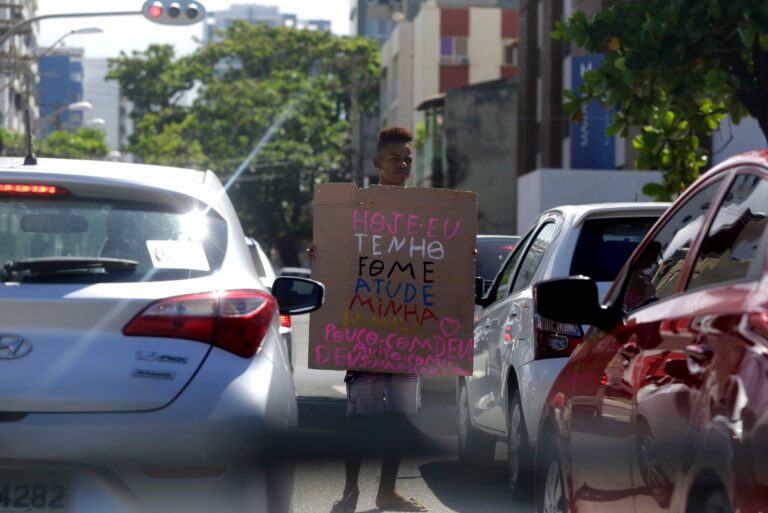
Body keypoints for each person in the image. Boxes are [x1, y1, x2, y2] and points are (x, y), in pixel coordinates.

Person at [311, 127, 428, 513]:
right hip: (365, 332)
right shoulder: (355, 207)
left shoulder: (426, 211)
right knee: (361, 418)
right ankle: (350, 491)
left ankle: (387, 492)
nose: (403, 165)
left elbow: (435, 259)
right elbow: (337, 254)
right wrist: (320, 252)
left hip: (408, 333)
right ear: (377, 162)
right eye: (395, 158)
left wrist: (459, 253)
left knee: (400, 418)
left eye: (408, 159)